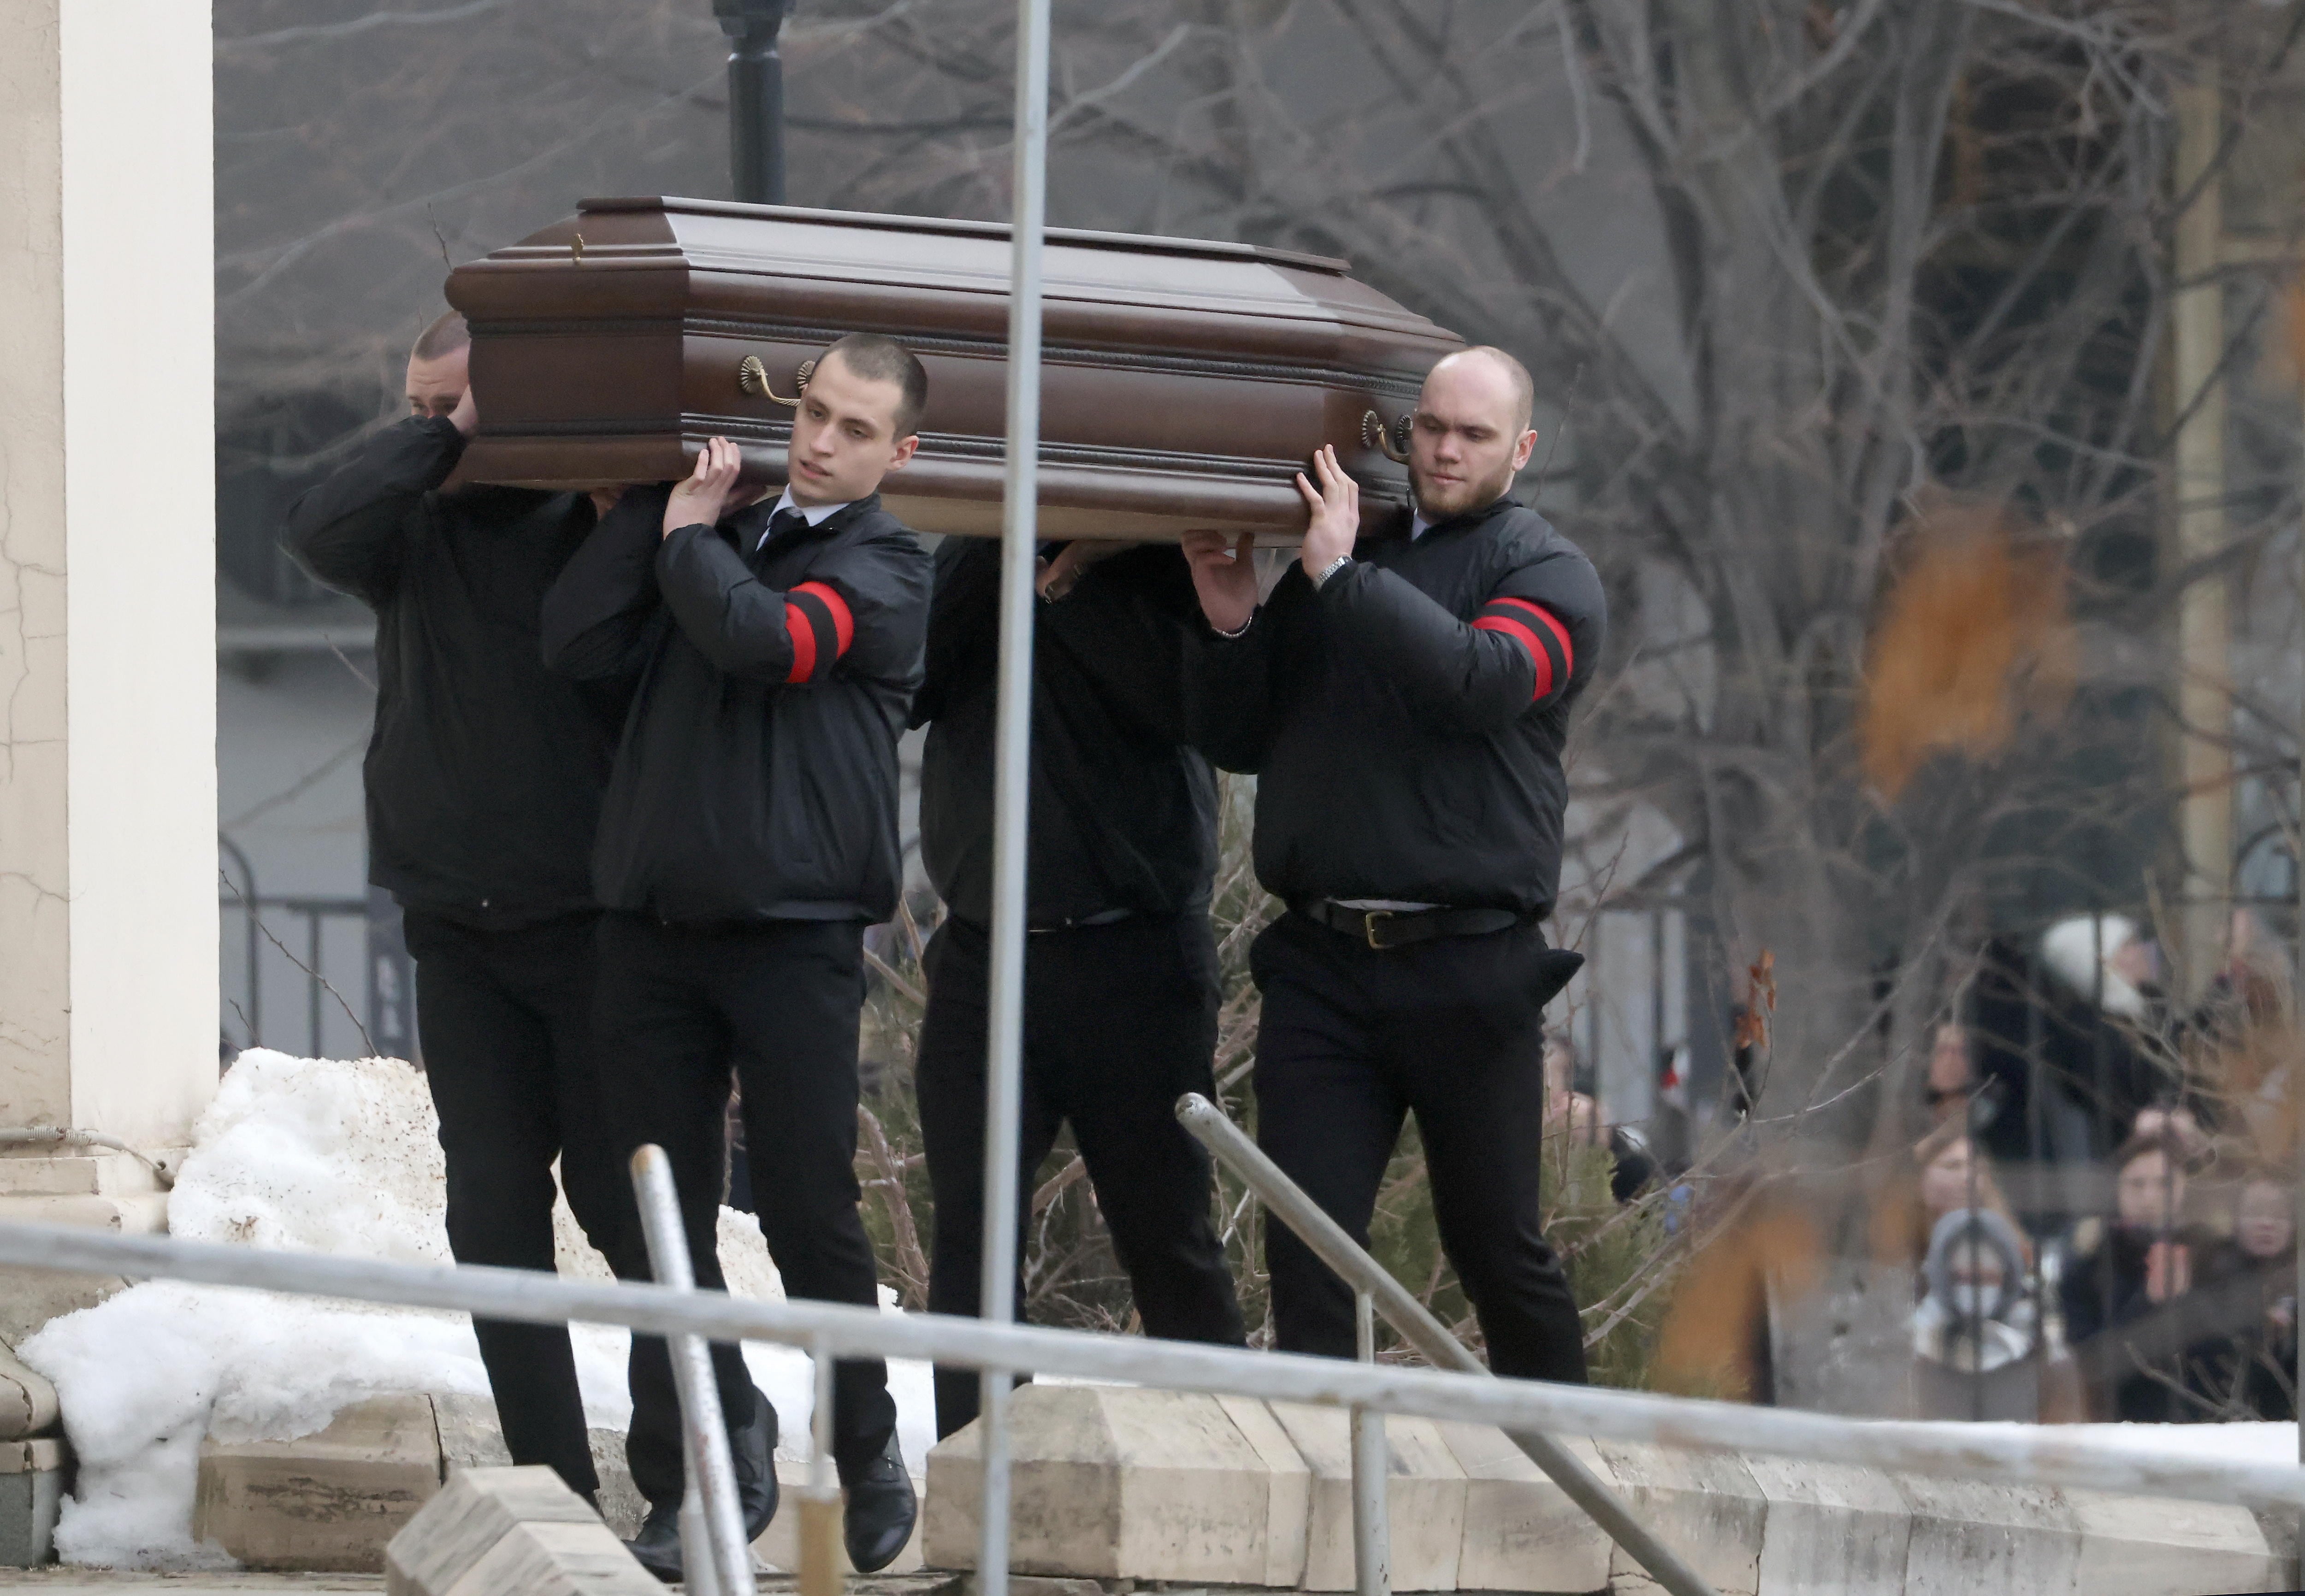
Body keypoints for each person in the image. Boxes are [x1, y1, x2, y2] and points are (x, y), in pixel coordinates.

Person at [539, 334, 933, 1580]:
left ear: (898, 452)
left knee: (815, 1208)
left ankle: (866, 1440)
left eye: (854, 427)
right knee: (666, 1219)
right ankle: (705, 1457)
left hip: (795, 934)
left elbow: (770, 643)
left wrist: (684, 543)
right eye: (812, 412)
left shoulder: (887, 561)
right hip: (651, 929)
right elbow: (574, 644)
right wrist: (658, 514)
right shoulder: (714, 534)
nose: (820, 439)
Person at [1178, 344, 1603, 1382]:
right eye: (1430, 428)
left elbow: (1480, 680)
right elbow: (1241, 737)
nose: (1446, 450)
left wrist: (1333, 575)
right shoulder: (1352, 552)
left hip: (1469, 969)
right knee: (1309, 1242)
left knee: (1494, 1248)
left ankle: (1582, 1480)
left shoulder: (1545, 571)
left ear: (1523, 449)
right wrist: (1233, 615)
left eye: (1474, 435)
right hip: (1323, 966)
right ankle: (1332, 1487)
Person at [279, 310, 633, 1502]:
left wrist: (508, 434)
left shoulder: (586, 515)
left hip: (585, 916)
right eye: (418, 409)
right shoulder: (410, 521)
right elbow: (316, 523)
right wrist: (445, 436)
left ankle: (705, 1450)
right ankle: (552, 1481)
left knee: (622, 1203)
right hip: (454, 914)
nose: (433, 430)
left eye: (456, 406)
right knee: (491, 1212)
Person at [908, 536, 1245, 1437]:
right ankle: (978, 1502)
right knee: (971, 1253)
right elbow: (910, 681)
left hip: (1133, 960)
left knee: (1167, 1240)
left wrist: (1071, 583)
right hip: (983, 955)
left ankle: (1226, 1480)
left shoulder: (1163, 561)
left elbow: (1198, 707)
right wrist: (1008, 544)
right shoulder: (978, 553)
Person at [2059, 1130, 2212, 1420]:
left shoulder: (2213, 1254)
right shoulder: (2090, 1261)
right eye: (2136, 1185)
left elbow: (2231, 1356)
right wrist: (2148, 1303)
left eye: (2164, 1185)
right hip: (2124, 1426)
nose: (2150, 1198)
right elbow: (2090, 1363)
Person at [1907, 1208, 2081, 1422]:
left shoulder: (2049, 1358)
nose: (1976, 1290)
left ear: (2009, 1277)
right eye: (1962, 1278)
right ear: (1942, 1279)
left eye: (1988, 1277)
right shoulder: (1912, 1354)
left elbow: (2063, 1445)